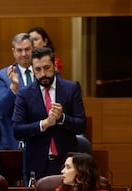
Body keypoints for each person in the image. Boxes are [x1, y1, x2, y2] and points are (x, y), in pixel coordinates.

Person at [13, 47, 86, 181]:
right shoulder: (24, 94)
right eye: (38, 70)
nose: (43, 74)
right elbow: (17, 130)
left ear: (55, 66)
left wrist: (62, 118)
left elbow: (81, 125)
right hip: (36, 163)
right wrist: (44, 124)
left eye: (47, 68)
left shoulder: (71, 89)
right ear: (32, 69)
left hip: (66, 163)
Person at [0, 33, 34, 150]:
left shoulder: (43, 71)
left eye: (27, 49)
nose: (24, 54)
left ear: (33, 49)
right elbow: (3, 109)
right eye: (19, 50)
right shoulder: (4, 75)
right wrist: (14, 86)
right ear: (13, 51)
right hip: (16, 134)